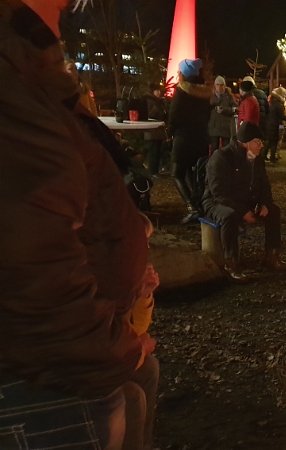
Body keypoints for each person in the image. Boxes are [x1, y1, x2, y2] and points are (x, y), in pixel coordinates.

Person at [0, 1, 149, 447]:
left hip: (72, 349)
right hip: (52, 372)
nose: (69, 6)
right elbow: (29, 263)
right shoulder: (14, 95)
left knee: (139, 400)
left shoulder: (31, 83)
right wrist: (113, 350)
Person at [202, 122, 286, 282]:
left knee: (273, 210)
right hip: (216, 202)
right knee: (229, 216)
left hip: (245, 200)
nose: (261, 146)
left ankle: (272, 255)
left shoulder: (257, 159)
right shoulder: (221, 158)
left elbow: (264, 185)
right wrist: (243, 211)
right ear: (245, 142)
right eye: (258, 142)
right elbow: (219, 192)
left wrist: (264, 203)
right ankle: (231, 263)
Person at [122, 215, 160, 450]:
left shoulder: (122, 274)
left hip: (101, 358)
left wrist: (143, 296)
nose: (145, 251)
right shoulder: (102, 279)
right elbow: (101, 350)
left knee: (149, 367)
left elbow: (136, 330)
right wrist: (138, 350)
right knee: (132, 396)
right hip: (72, 370)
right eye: (141, 244)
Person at [169, 58, 212, 224]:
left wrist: (170, 132)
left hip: (183, 138)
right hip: (201, 137)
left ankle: (192, 208)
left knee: (177, 173)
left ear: (183, 73)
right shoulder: (205, 93)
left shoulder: (181, 91)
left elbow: (175, 115)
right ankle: (200, 205)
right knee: (194, 174)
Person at [144, 84, 168, 177]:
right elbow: (149, 114)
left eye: (159, 90)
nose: (158, 92)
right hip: (152, 131)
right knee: (153, 152)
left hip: (159, 130)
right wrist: (157, 107)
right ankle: (152, 171)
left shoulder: (159, 101)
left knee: (158, 151)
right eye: (156, 91)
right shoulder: (149, 101)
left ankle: (156, 170)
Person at [208, 76, 237, 151]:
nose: (219, 87)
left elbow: (235, 109)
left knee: (226, 149)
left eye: (221, 85)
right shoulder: (210, 96)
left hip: (225, 127)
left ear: (224, 86)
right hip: (213, 127)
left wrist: (225, 110)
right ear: (215, 85)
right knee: (214, 149)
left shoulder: (230, 97)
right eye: (217, 85)